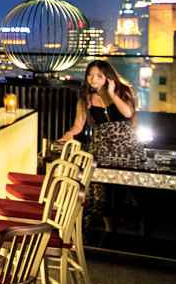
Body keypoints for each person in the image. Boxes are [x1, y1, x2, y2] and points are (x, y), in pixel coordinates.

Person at [59, 59, 142, 225]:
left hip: (125, 145)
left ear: (108, 77)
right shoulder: (85, 99)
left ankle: (129, 223)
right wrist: (66, 136)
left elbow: (128, 113)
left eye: (98, 75)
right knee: (101, 187)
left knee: (126, 185)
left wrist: (112, 93)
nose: (93, 79)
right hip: (101, 146)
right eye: (90, 75)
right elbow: (78, 126)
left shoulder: (122, 91)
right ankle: (106, 225)